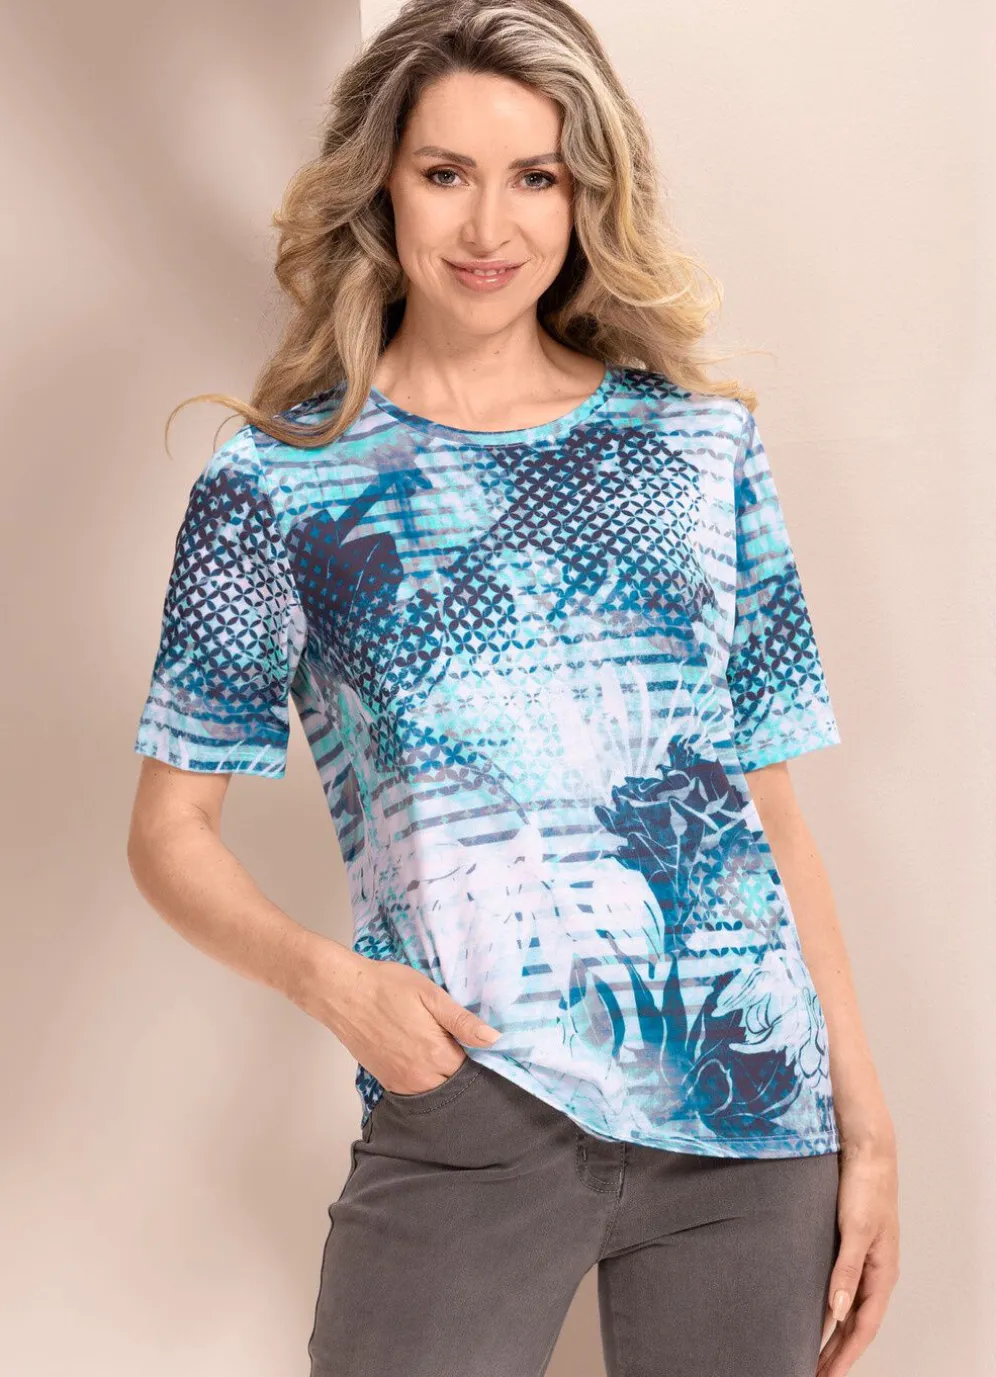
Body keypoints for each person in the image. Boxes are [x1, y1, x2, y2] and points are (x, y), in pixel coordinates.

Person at [126, 2, 900, 1374]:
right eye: (447, 173)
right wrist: (335, 986)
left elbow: (770, 813)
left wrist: (867, 1129)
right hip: (468, 1102)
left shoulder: (700, 449)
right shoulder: (280, 484)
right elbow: (169, 833)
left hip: (749, 1116)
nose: (491, 226)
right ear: (381, 183)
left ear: (587, 193)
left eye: (535, 175)